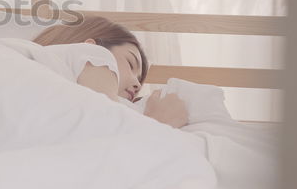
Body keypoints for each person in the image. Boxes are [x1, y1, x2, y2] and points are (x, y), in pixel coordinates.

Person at [33, 15, 189, 129]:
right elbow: (107, 130)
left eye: (139, 81)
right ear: (91, 45)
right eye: (130, 63)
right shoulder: (95, 53)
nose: (137, 84)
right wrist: (158, 121)